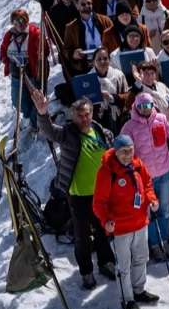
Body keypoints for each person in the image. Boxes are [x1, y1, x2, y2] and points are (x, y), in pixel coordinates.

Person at [34, 92, 116, 289]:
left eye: (87, 114)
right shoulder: (67, 133)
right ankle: (86, 272)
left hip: (101, 193)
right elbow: (49, 131)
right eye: (79, 115)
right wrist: (42, 113)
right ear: (72, 116)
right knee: (82, 237)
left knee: (103, 231)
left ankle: (106, 263)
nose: (84, 118)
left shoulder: (99, 130)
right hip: (79, 195)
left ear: (92, 114)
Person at [92, 134, 161, 309]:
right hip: (120, 229)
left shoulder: (138, 164)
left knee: (141, 258)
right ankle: (127, 299)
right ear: (115, 152)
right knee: (124, 266)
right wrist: (107, 221)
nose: (128, 155)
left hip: (140, 223)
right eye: (123, 152)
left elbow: (147, 183)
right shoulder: (107, 172)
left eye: (130, 151)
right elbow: (99, 203)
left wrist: (152, 199)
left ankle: (139, 291)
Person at [120, 93, 169, 261]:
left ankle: (164, 240)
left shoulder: (162, 119)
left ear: (152, 105)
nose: (145, 109)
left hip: (164, 172)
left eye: (148, 105)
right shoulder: (129, 126)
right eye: (141, 106)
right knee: (148, 213)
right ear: (135, 107)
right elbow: (123, 152)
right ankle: (154, 245)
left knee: (164, 210)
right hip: (144, 178)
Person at [0, 9, 47, 131]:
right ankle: (28, 117)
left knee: (36, 99)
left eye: (21, 19)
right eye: (15, 20)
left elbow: (44, 50)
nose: (18, 23)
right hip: (16, 73)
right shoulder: (9, 35)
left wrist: (40, 53)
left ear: (26, 20)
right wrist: (4, 58)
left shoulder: (34, 33)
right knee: (18, 100)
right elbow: (3, 48)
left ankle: (36, 124)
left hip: (32, 73)